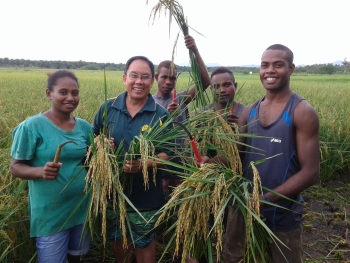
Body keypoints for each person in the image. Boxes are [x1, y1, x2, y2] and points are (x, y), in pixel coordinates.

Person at [223, 44, 320, 263]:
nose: (270, 71)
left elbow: (311, 172)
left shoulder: (302, 112)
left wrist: (266, 199)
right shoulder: (249, 112)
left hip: (282, 214)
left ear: (291, 69)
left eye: (278, 65)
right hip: (243, 206)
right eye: (264, 65)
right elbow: (236, 158)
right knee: (232, 257)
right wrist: (212, 163)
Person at [92, 56, 171, 263]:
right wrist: (100, 145)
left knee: (144, 244)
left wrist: (144, 164)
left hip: (146, 198)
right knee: (119, 243)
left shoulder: (160, 115)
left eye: (145, 77)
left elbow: (168, 155)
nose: (139, 81)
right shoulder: (108, 108)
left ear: (152, 81)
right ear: (124, 78)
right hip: (113, 195)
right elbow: (92, 140)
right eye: (134, 76)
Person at [10, 70, 92, 263]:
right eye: (63, 92)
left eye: (75, 93)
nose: (70, 98)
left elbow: (90, 162)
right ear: (49, 94)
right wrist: (40, 171)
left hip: (81, 208)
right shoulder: (31, 126)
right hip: (50, 214)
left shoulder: (85, 127)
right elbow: (15, 167)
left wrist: (105, 149)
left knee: (77, 257)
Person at [153, 34, 211, 191]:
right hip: (159, 168)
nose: (168, 82)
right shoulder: (149, 103)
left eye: (172, 78)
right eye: (164, 77)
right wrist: (166, 115)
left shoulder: (180, 99)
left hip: (182, 167)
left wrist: (194, 50)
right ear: (157, 77)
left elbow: (205, 82)